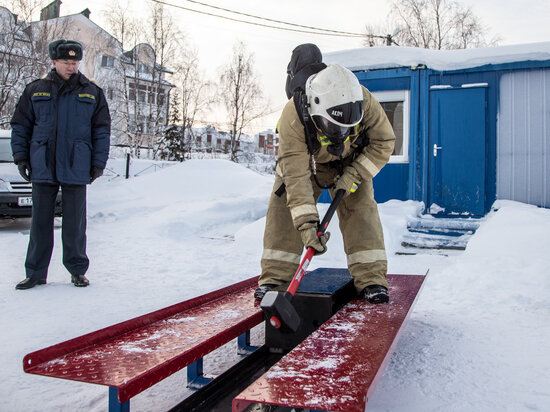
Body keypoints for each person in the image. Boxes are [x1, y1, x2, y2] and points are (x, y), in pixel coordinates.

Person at [255, 57, 395, 304]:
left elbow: (384, 142)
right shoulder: (294, 115)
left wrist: (354, 174)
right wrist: (307, 226)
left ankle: (371, 279)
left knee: (362, 209)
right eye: (333, 125)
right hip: (305, 161)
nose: (340, 133)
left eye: (346, 127)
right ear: (316, 109)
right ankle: (274, 280)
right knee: (285, 202)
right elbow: (296, 177)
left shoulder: (365, 101)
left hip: (349, 162)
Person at [10, 39, 111, 290]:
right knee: (40, 223)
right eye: (66, 62)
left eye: (75, 62)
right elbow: (21, 126)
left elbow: (101, 130)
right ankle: (35, 273)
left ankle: (77, 270)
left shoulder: (92, 92)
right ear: (54, 62)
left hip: (77, 164)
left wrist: (98, 162)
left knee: (75, 224)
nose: (71, 67)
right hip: (43, 164)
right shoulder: (36, 90)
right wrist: (21, 157)